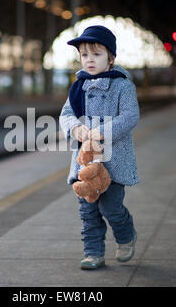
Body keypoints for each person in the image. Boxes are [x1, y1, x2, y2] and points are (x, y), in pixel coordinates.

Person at [59, 25, 140, 270]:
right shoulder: (79, 87)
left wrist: (102, 132)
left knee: (110, 206)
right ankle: (93, 253)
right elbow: (66, 114)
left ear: (111, 57)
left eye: (96, 54)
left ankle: (126, 234)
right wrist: (75, 128)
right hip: (86, 163)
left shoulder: (122, 86)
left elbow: (130, 116)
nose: (89, 60)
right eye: (85, 55)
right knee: (88, 210)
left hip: (113, 161)